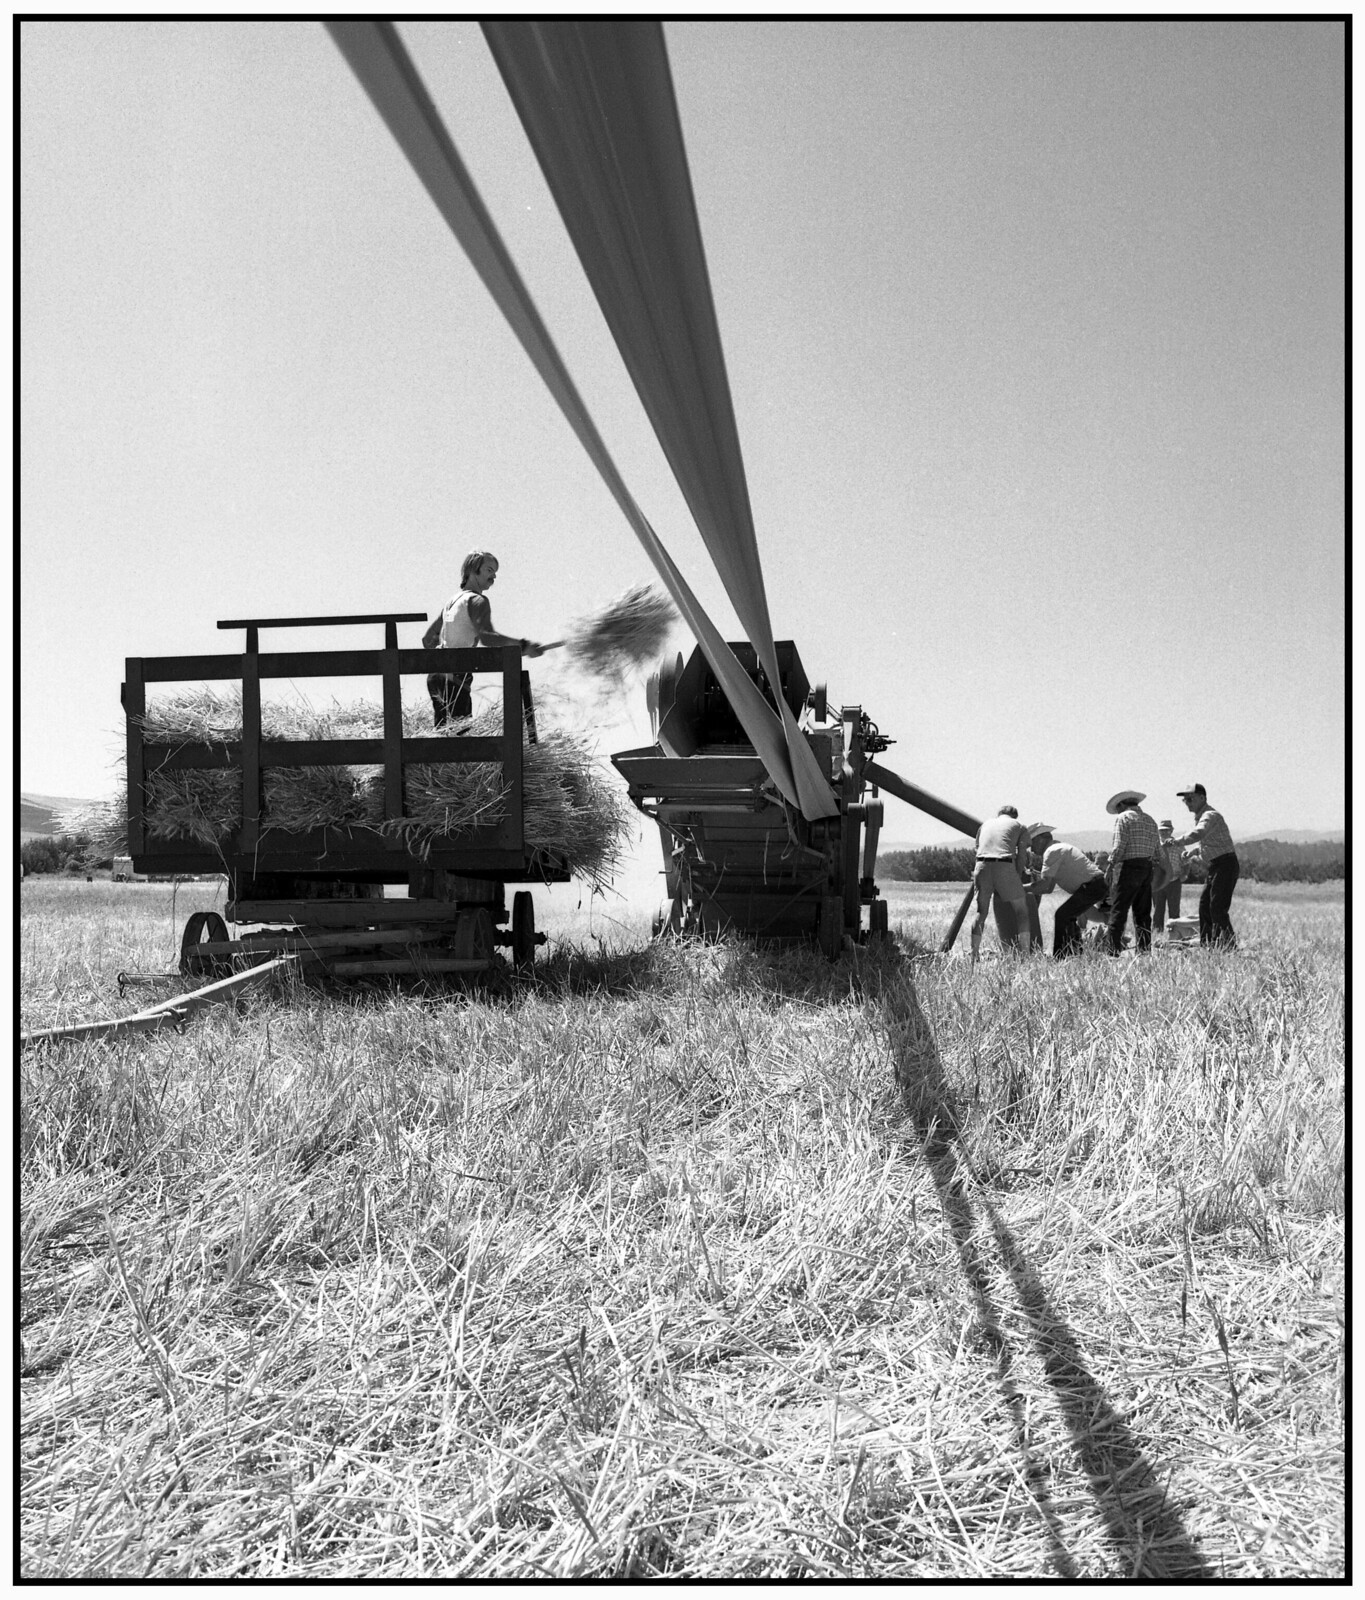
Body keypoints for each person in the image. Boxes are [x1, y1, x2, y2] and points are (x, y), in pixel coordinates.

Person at [422, 551, 544, 728]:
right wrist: (523, 646)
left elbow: (428, 640)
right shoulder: (478, 600)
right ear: (473, 569)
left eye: (495, 572)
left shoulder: (453, 601)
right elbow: (487, 637)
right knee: (461, 740)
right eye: (489, 570)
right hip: (456, 678)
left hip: (436, 678)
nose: (493, 576)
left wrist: (442, 661)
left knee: (442, 739)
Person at [1171, 782, 1239, 948]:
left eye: (1190, 799)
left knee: (1217, 907)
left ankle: (1228, 944)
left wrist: (1177, 841)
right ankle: (1209, 943)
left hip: (1225, 865)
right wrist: (1194, 852)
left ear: (1202, 797)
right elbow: (1209, 841)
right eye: (1185, 800)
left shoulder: (1209, 815)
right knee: (1205, 905)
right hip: (1218, 866)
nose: (1187, 802)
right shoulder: (1203, 816)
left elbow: (1199, 833)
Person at [1026, 825, 1110, 959]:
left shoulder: (1051, 852)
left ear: (1040, 839)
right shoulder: (1058, 848)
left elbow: (1044, 885)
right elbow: (1049, 888)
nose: (1031, 849)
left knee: (1062, 915)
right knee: (1068, 916)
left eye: (1032, 843)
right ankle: (1074, 953)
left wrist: (1021, 888)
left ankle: (1061, 956)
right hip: (1096, 885)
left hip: (1092, 886)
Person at [1103, 789, 1168, 955]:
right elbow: (1158, 852)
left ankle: (1113, 950)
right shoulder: (1150, 820)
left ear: (1123, 804)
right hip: (1147, 868)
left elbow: (1119, 846)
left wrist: (1110, 865)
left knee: (1119, 910)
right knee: (1143, 913)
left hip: (1129, 868)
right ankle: (1144, 950)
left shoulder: (1123, 818)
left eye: (1118, 807)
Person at [969, 805, 1033, 961]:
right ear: (1014, 816)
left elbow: (977, 849)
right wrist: (1016, 876)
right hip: (1004, 864)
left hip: (981, 865)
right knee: (1022, 912)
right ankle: (1025, 955)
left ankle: (974, 954)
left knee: (981, 913)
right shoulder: (1019, 826)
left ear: (999, 815)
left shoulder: (985, 825)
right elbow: (1022, 855)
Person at [1151, 819, 1186, 934]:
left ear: (1171, 831)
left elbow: (1187, 861)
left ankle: (1174, 935)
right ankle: (1157, 935)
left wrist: (1184, 875)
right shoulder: (1154, 846)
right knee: (1158, 911)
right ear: (1158, 832)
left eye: (1166, 830)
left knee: (1174, 911)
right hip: (1159, 883)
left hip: (1174, 881)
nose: (1164, 833)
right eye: (1162, 831)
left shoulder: (1178, 845)